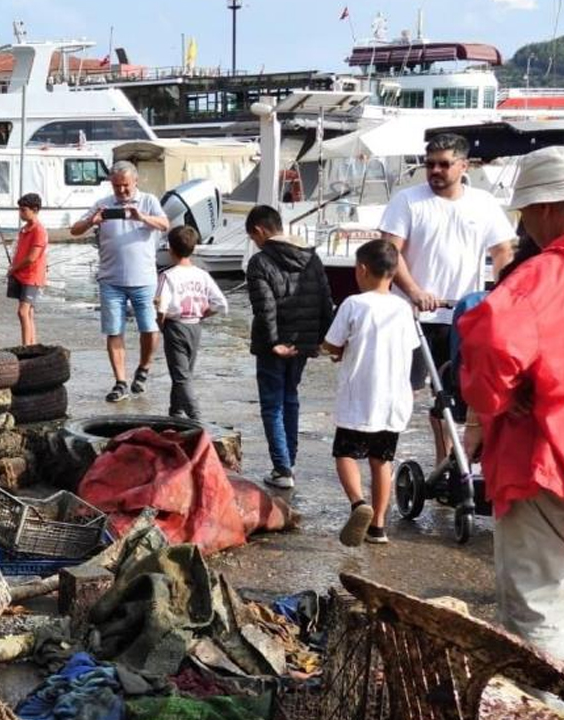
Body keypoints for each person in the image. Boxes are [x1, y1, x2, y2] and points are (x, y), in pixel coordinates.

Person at [458, 145, 564, 661]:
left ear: (545, 209)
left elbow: (493, 336)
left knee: (535, 609)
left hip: (542, 460)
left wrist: (495, 400)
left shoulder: (541, 277)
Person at [379, 133, 516, 468]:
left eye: (444, 164)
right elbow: (390, 251)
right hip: (411, 314)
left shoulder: (482, 203)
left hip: (459, 314)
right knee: (403, 392)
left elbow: (502, 250)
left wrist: (501, 292)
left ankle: (447, 464)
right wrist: (414, 291)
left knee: (452, 394)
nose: (435, 171)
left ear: (463, 166)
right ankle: (381, 457)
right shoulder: (408, 200)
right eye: (430, 165)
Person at [321, 240, 419, 546]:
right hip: (394, 400)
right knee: (382, 460)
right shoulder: (403, 308)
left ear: (362, 269)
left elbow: (332, 344)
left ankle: (357, 503)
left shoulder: (353, 304)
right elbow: (411, 347)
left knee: (345, 454)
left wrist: (339, 350)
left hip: (360, 396)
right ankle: (378, 526)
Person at [245, 205, 334, 489]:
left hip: (275, 345)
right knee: (291, 398)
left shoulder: (260, 262)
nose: (254, 243)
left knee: (272, 405)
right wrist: (322, 339)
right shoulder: (312, 257)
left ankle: (282, 469)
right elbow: (325, 300)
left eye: (252, 237)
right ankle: (289, 461)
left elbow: (265, 308)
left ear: (259, 231)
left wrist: (273, 343)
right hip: (304, 341)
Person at [69, 160, 170, 403]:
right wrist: (92, 221)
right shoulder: (102, 204)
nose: (121, 191)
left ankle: (144, 369)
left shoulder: (148, 201)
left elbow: (166, 224)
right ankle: (120, 381)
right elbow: (74, 229)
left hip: (143, 278)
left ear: (135, 181)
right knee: (114, 330)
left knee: (149, 328)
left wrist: (141, 217)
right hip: (110, 279)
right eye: (116, 187)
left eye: (125, 185)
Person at [155, 226, 228, 421]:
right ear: (194, 248)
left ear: (170, 249)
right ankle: (175, 413)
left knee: (180, 376)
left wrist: (161, 324)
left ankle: (196, 417)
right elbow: (221, 304)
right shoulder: (202, 275)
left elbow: (160, 307)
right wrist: (205, 314)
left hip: (176, 326)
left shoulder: (167, 276)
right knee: (185, 373)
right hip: (195, 326)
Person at [7, 193, 48, 345]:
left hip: (32, 276)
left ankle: (26, 347)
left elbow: (32, 257)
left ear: (35, 209)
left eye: (24, 210)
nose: (21, 213)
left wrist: (13, 268)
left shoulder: (39, 230)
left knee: (23, 312)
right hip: (21, 274)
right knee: (28, 312)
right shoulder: (25, 229)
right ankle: (31, 344)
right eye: (20, 210)